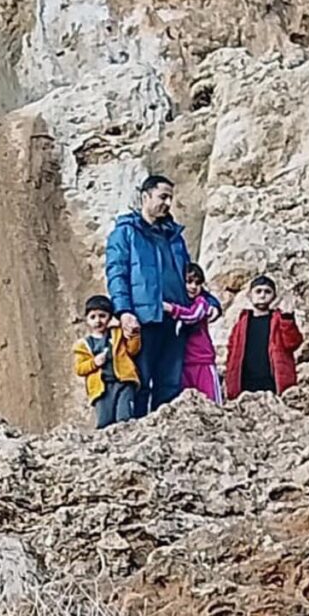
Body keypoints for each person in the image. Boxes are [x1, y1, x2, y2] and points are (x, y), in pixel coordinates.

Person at [106, 174, 194, 410]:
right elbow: (117, 274)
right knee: (140, 382)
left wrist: (208, 302)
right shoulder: (125, 233)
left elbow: (190, 275)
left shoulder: (174, 236)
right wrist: (124, 311)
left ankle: (166, 437)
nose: (167, 203)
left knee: (170, 384)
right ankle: (139, 435)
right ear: (145, 196)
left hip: (175, 318)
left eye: (170, 199)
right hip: (143, 318)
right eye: (162, 196)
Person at [223, 274, 304, 401]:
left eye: (267, 292)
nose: (262, 295)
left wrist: (288, 319)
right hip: (245, 384)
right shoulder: (241, 323)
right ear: (250, 295)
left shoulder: (280, 320)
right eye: (258, 291)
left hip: (273, 384)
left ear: (274, 296)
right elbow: (231, 351)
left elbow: (293, 343)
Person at [74, 294, 144, 429]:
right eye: (93, 317)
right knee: (105, 422)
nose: (98, 321)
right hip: (101, 388)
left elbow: (133, 350)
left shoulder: (117, 334)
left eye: (102, 316)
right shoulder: (83, 345)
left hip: (123, 381)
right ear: (87, 320)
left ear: (110, 317)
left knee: (124, 418)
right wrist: (94, 362)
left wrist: (133, 333)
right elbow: (80, 368)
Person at [167, 265, 222, 400]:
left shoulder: (202, 302)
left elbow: (193, 316)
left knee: (212, 402)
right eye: (189, 282)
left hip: (203, 360)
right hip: (183, 361)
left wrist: (171, 309)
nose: (193, 287)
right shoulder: (179, 300)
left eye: (198, 283)